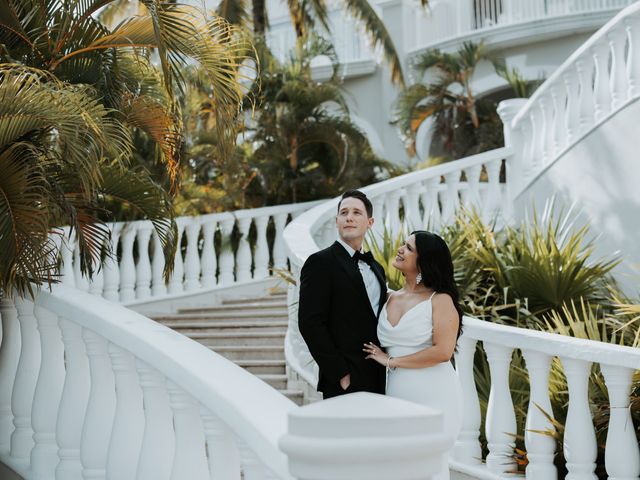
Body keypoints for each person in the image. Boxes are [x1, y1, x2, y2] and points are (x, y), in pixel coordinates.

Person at [363, 230, 463, 480]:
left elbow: (443, 351)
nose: (400, 249)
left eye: (408, 248)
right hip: (397, 394)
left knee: (429, 466)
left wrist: (390, 361)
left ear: (423, 261)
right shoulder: (388, 298)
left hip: (435, 394)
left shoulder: (439, 300)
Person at [298, 190, 387, 399]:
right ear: (337, 221)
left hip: (379, 374)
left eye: (357, 212)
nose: (349, 217)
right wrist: (341, 374)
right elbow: (310, 323)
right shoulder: (320, 263)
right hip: (344, 379)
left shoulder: (377, 268)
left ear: (370, 222)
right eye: (344, 212)